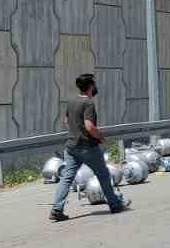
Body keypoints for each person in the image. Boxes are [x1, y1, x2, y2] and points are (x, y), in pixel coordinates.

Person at [49, 74, 127, 222]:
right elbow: (89, 126)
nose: (95, 87)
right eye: (94, 84)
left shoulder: (71, 101)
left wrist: (75, 132)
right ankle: (115, 204)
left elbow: (66, 121)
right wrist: (100, 137)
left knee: (66, 178)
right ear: (91, 86)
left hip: (71, 146)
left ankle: (57, 209)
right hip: (87, 147)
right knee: (103, 175)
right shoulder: (88, 103)